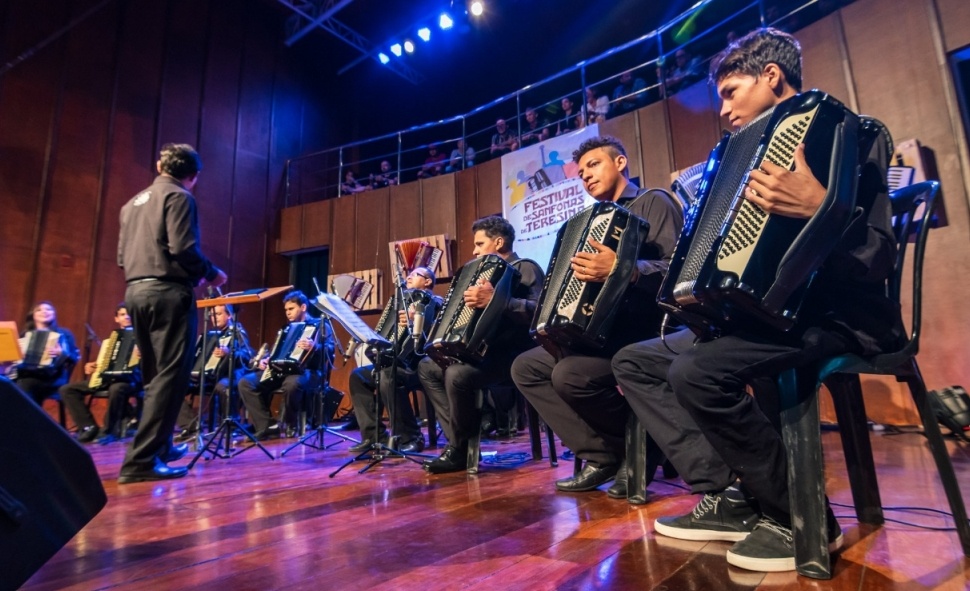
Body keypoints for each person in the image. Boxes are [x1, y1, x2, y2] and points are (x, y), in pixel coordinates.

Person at [611, 28, 902, 573]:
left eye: (730, 91)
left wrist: (824, 209)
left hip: (839, 316)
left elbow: (877, 259)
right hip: (767, 318)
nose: (721, 110)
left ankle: (802, 516)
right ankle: (737, 492)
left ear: (771, 77)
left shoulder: (852, 133)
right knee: (640, 361)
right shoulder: (736, 158)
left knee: (697, 372)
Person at [511, 136, 683, 495]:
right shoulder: (584, 225)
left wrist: (625, 269)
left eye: (594, 165)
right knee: (527, 367)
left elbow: (678, 271)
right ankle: (604, 454)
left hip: (647, 332)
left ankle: (643, 446)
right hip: (599, 334)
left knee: (570, 374)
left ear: (620, 163)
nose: (585, 175)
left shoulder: (653, 202)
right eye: (581, 172)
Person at [117, 142, 227, 483]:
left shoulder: (130, 204)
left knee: (154, 375)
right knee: (171, 375)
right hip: (167, 291)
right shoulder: (180, 197)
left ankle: (160, 446)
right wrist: (212, 273)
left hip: (135, 291)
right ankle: (141, 462)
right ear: (193, 176)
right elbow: (182, 247)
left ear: (158, 164)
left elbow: (122, 257)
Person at [417, 216, 544, 473]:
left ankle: (460, 450)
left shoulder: (526, 268)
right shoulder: (476, 275)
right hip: (479, 355)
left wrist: (498, 301)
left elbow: (540, 312)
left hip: (512, 356)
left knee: (456, 373)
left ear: (498, 242)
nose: (474, 250)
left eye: (479, 243)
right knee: (428, 366)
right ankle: (458, 439)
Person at [347, 267, 441, 453]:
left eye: (415, 275)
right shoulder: (399, 301)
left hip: (419, 365)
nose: (409, 277)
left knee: (387, 377)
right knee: (358, 376)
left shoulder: (437, 303)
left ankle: (411, 437)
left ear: (428, 281)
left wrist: (416, 322)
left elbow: (433, 337)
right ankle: (375, 437)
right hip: (394, 364)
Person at [237, 290, 334, 440]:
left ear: (303, 307)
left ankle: (290, 423)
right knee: (246, 382)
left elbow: (330, 350)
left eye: (291, 309)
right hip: (282, 371)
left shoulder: (320, 325)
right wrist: (267, 360)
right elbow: (278, 352)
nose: (287, 313)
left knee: (292, 384)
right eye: (286, 310)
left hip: (309, 371)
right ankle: (267, 426)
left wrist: (315, 347)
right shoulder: (286, 329)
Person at [59, 303, 141, 444]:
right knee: (67, 389)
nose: (126, 317)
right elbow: (105, 363)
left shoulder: (143, 338)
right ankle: (88, 427)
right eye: (122, 314)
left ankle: (109, 431)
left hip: (132, 380)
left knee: (117, 389)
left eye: (129, 314)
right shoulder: (111, 341)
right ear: (116, 319)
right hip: (107, 379)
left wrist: (142, 355)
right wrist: (93, 366)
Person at [173, 304, 253, 443]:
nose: (214, 318)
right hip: (207, 376)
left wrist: (229, 353)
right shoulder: (208, 334)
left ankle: (230, 426)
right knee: (174, 386)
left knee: (223, 386)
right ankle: (191, 427)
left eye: (218, 314)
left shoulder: (237, 332)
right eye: (212, 315)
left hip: (230, 374)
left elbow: (247, 355)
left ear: (229, 316)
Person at [11, 301, 79, 407]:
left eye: (48, 309)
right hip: (26, 374)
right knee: (6, 382)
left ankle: (27, 420)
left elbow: (74, 358)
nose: (44, 311)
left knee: (25, 384)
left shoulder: (64, 333)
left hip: (53, 378)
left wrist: (62, 353)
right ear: (33, 315)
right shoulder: (25, 334)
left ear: (54, 314)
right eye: (39, 310)